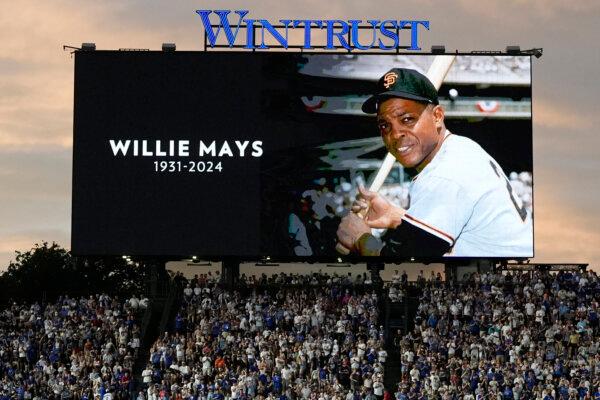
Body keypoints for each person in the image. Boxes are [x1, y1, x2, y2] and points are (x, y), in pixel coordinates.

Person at [336, 67, 533, 257]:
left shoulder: (445, 173)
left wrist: (360, 238)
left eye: (407, 119)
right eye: (385, 125)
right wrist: (396, 216)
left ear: (437, 116)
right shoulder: (460, 147)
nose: (395, 134)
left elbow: (402, 269)